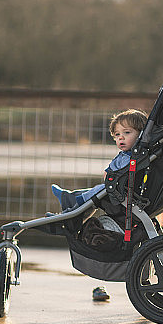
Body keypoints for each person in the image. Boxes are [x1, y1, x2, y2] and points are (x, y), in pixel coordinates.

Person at [50, 108, 148, 302]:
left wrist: (109, 176)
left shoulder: (132, 158)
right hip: (121, 192)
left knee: (99, 190)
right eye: (117, 135)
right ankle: (73, 200)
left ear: (141, 134)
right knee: (97, 191)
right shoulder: (133, 156)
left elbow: (111, 175)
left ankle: (72, 201)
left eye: (127, 133)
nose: (121, 138)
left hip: (121, 195)